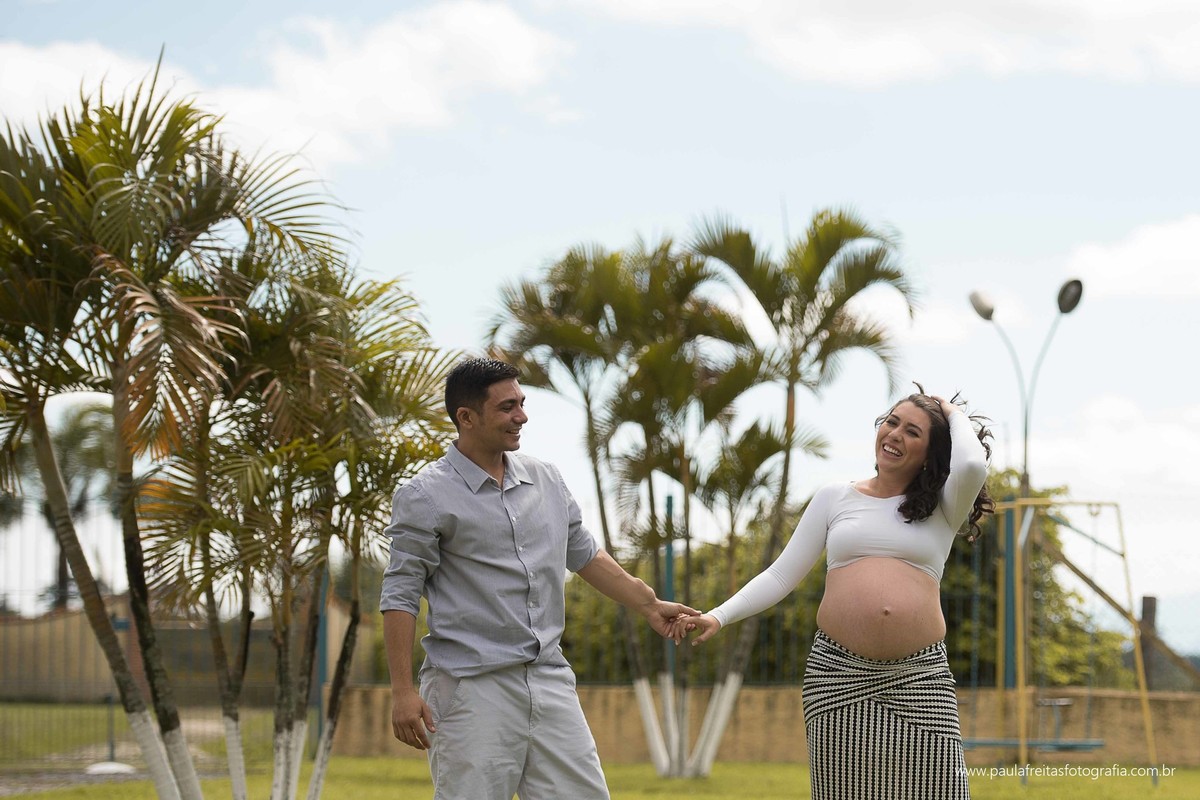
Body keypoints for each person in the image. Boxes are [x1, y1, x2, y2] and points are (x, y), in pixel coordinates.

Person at [381, 357, 696, 800]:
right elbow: (401, 592)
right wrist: (401, 691)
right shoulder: (425, 496)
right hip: (472, 690)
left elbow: (585, 554)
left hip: (550, 681)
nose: (522, 416)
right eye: (507, 407)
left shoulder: (546, 480)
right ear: (465, 417)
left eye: (522, 404)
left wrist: (648, 603)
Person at [674, 388, 993, 800]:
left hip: (918, 678)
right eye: (891, 422)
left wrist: (949, 411)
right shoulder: (834, 497)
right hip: (837, 674)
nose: (894, 434)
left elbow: (970, 463)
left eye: (912, 431)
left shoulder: (946, 507)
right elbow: (780, 575)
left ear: (932, 453)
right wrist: (718, 615)